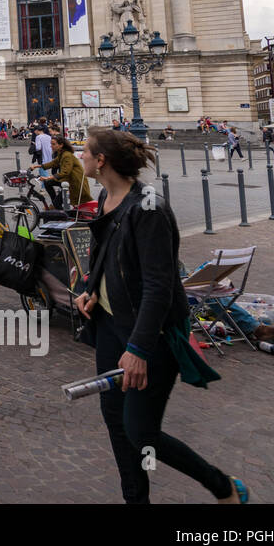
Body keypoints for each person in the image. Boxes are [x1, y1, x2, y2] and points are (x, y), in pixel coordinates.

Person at [72, 129, 247, 504]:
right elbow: (107, 259)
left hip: (150, 336)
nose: (79, 155)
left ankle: (223, 486)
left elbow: (159, 286)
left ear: (101, 160)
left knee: (142, 432)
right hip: (109, 327)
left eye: (84, 150)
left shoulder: (148, 208)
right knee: (117, 423)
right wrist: (89, 290)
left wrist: (138, 347)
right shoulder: (106, 196)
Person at [39, 137, 91, 208]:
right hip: (67, 180)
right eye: (51, 144)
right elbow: (53, 163)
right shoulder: (61, 153)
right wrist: (37, 166)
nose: (51, 146)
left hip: (73, 183)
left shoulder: (67, 155)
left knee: (57, 202)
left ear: (61, 145)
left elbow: (65, 172)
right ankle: (54, 204)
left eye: (53, 144)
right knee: (47, 183)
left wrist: (48, 177)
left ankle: (60, 212)